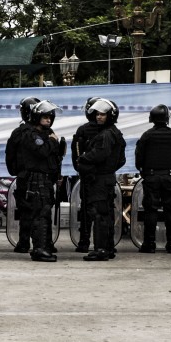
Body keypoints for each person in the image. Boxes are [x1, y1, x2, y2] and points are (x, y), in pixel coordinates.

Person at [76, 98, 126, 261]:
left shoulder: (106, 135)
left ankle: (101, 250)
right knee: (105, 214)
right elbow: (120, 160)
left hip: (99, 181)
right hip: (105, 179)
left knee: (99, 215)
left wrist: (84, 159)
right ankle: (107, 248)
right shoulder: (113, 132)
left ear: (110, 115)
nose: (98, 117)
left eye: (103, 114)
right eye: (97, 114)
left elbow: (98, 155)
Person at [134, 104, 171, 254]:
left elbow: (139, 156)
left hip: (151, 177)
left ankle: (149, 244)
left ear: (151, 118)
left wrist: (144, 170)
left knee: (150, 210)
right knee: (170, 210)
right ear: (166, 118)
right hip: (170, 177)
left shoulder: (147, 135)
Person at [20, 100, 66, 262]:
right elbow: (42, 153)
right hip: (37, 180)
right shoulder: (31, 135)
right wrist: (53, 142)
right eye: (45, 117)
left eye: (50, 117)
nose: (48, 120)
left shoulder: (46, 134)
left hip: (47, 180)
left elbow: (53, 158)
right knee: (39, 214)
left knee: (45, 213)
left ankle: (44, 246)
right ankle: (39, 249)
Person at [4, 96, 39, 253]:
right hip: (39, 177)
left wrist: (16, 171)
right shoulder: (44, 131)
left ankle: (24, 242)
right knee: (41, 210)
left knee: (25, 210)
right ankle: (44, 243)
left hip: (24, 176)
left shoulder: (18, 132)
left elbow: (9, 155)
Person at [71, 97, 102, 253]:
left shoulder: (83, 130)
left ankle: (85, 242)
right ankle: (104, 243)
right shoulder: (107, 130)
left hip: (89, 176)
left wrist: (81, 168)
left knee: (87, 210)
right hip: (98, 176)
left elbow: (76, 154)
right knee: (102, 210)